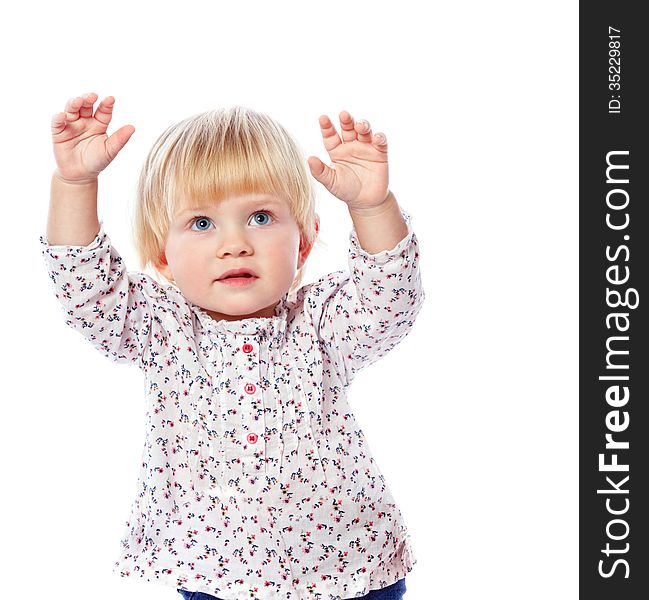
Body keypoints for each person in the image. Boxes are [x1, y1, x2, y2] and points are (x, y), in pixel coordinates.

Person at [41, 92, 425, 600]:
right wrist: (75, 183)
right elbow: (83, 285)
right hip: (216, 577)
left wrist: (372, 206)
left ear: (304, 241)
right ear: (162, 256)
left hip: (349, 568)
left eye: (261, 217)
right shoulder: (162, 330)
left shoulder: (322, 323)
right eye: (201, 224)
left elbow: (391, 296)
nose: (234, 243)